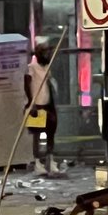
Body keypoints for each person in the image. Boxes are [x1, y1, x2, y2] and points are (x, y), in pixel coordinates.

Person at [24, 41, 61, 177]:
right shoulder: (31, 68)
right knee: (37, 135)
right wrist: (30, 102)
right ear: (39, 54)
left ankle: (50, 161)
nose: (48, 55)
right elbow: (27, 84)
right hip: (37, 105)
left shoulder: (47, 67)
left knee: (51, 134)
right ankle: (38, 163)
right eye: (46, 52)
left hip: (48, 105)